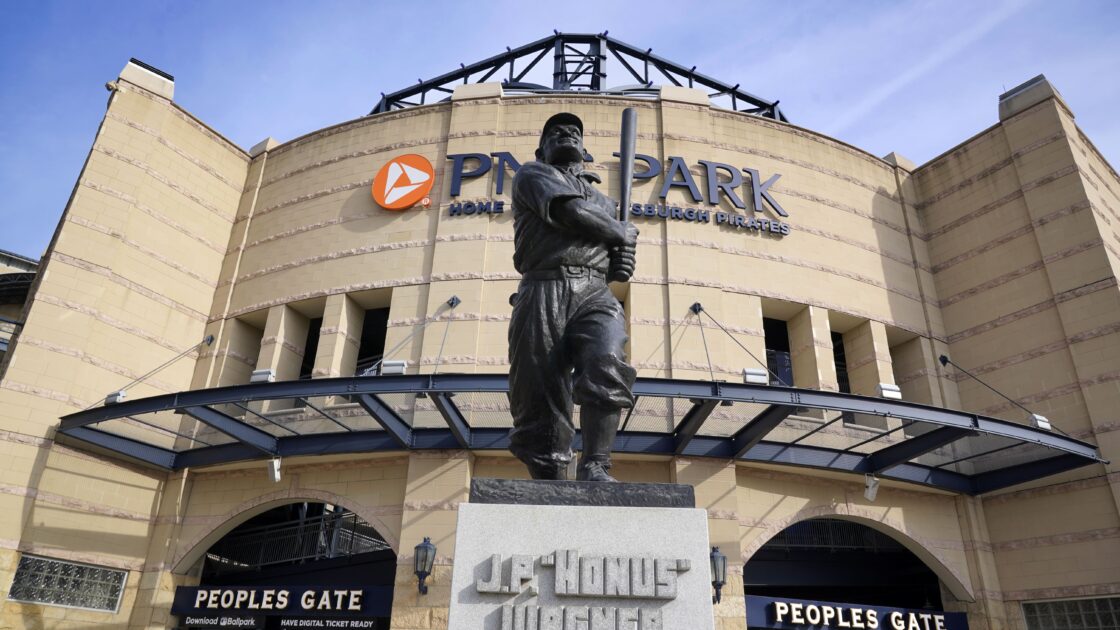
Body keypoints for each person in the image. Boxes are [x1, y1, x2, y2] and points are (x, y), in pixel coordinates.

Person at [507, 112, 639, 482]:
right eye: (555, 132)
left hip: (594, 292)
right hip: (543, 287)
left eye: (574, 132)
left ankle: (596, 464)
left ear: (585, 150)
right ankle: (550, 475)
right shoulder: (533, 175)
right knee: (540, 391)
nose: (566, 134)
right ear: (541, 149)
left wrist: (622, 259)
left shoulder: (607, 202)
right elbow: (569, 212)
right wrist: (619, 234)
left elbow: (613, 262)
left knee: (607, 362)